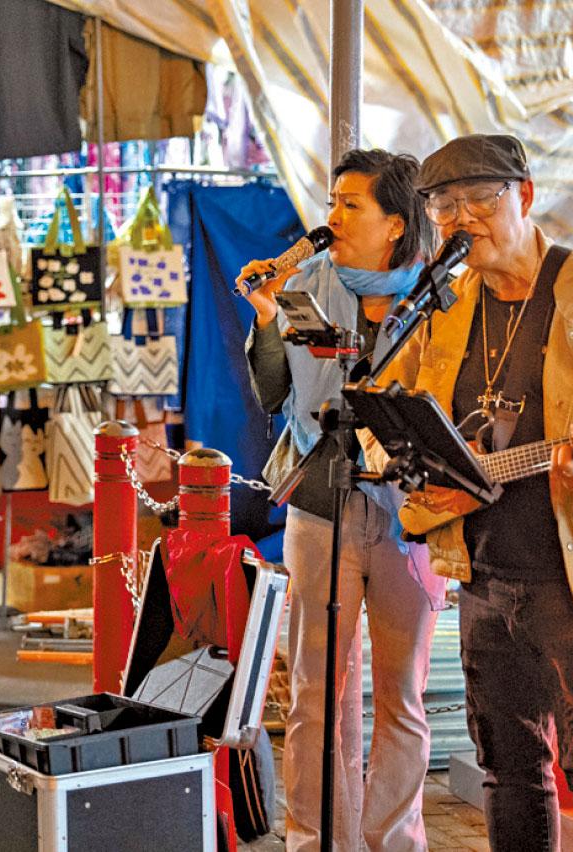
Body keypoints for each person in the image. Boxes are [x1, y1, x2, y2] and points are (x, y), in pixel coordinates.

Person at [385, 134, 573, 850]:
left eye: (479, 200)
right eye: (444, 206)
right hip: (486, 575)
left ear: (524, 197)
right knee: (507, 769)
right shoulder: (446, 305)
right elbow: (395, 409)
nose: (461, 219)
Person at [241, 149, 447, 851]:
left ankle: (394, 841)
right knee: (314, 692)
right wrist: (268, 318)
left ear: (396, 223)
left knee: (402, 697)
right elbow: (276, 394)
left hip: (409, 514)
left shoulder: (440, 296)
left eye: (351, 205)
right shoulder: (307, 281)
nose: (331, 217)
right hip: (320, 502)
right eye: (332, 201)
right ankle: (314, 840)